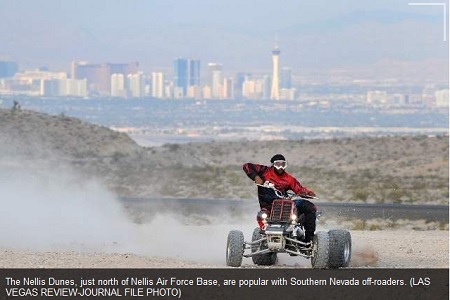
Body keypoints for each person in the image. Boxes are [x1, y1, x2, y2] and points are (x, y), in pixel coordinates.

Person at [243, 154, 317, 244]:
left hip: (285, 204)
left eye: (283, 164)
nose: (280, 167)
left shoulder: (289, 179)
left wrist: (308, 193)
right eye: (278, 164)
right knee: (261, 215)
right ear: (273, 165)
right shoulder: (265, 171)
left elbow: (299, 189)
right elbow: (247, 166)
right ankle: (264, 235)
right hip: (269, 206)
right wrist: (256, 177)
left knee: (310, 207)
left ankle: (309, 240)